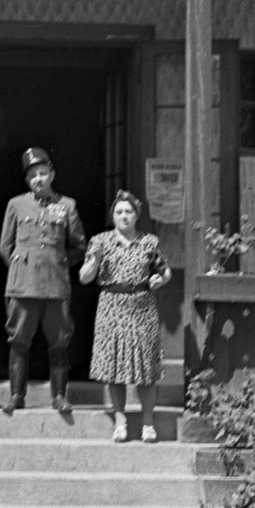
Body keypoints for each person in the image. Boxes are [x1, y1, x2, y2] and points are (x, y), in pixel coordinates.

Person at [0, 146, 86, 416]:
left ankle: (59, 396)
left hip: (56, 286)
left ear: (52, 174)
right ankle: (16, 395)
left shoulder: (67, 205)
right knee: (19, 340)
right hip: (23, 285)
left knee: (59, 341)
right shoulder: (16, 204)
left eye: (43, 173)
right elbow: (5, 247)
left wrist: (60, 262)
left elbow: (79, 246)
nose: (39, 179)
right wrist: (20, 267)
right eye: (33, 175)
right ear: (27, 180)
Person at [80, 190, 172, 444]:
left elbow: (165, 272)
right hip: (111, 305)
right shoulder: (100, 241)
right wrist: (94, 261)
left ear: (136, 215)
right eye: (119, 212)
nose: (124, 216)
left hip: (142, 305)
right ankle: (120, 421)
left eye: (128, 212)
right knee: (114, 365)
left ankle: (147, 423)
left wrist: (159, 279)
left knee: (145, 367)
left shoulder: (149, 242)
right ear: (113, 215)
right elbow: (84, 277)